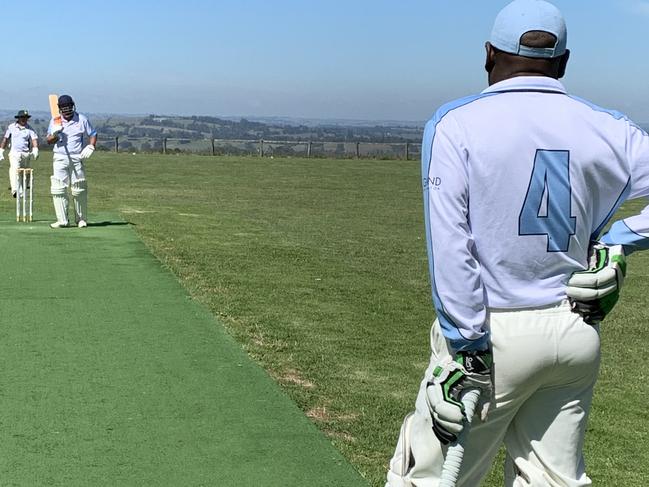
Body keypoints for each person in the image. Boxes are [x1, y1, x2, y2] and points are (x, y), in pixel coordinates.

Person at [385, 1, 648, 485]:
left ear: (488, 54)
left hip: (490, 335)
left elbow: (451, 248)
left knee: (425, 478)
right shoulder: (612, 127)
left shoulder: (455, 123)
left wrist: (464, 347)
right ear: (564, 62)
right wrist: (619, 240)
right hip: (574, 331)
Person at [46, 94, 97, 228]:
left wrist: (91, 145)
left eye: (68, 107)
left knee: (79, 187)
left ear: (72, 106)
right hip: (59, 157)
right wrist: (56, 134)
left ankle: (81, 219)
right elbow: (48, 141)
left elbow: (93, 134)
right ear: (60, 109)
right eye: (64, 107)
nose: (67, 110)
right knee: (59, 188)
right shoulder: (55, 121)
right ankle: (62, 220)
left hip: (76, 157)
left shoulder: (81, 119)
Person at [0, 110, 39, 198]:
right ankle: (15, 190)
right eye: (22, 117)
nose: (24, 119)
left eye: (26, 118)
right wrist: (1, 150)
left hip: (26, 154)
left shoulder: (29, 128)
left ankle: (24, 189)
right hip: (15, 153)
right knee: (15, 169)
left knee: (25, 172)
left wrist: (35, 148)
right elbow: (5, 139)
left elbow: (34, 139)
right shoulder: (11, 127)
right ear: (18, 118)